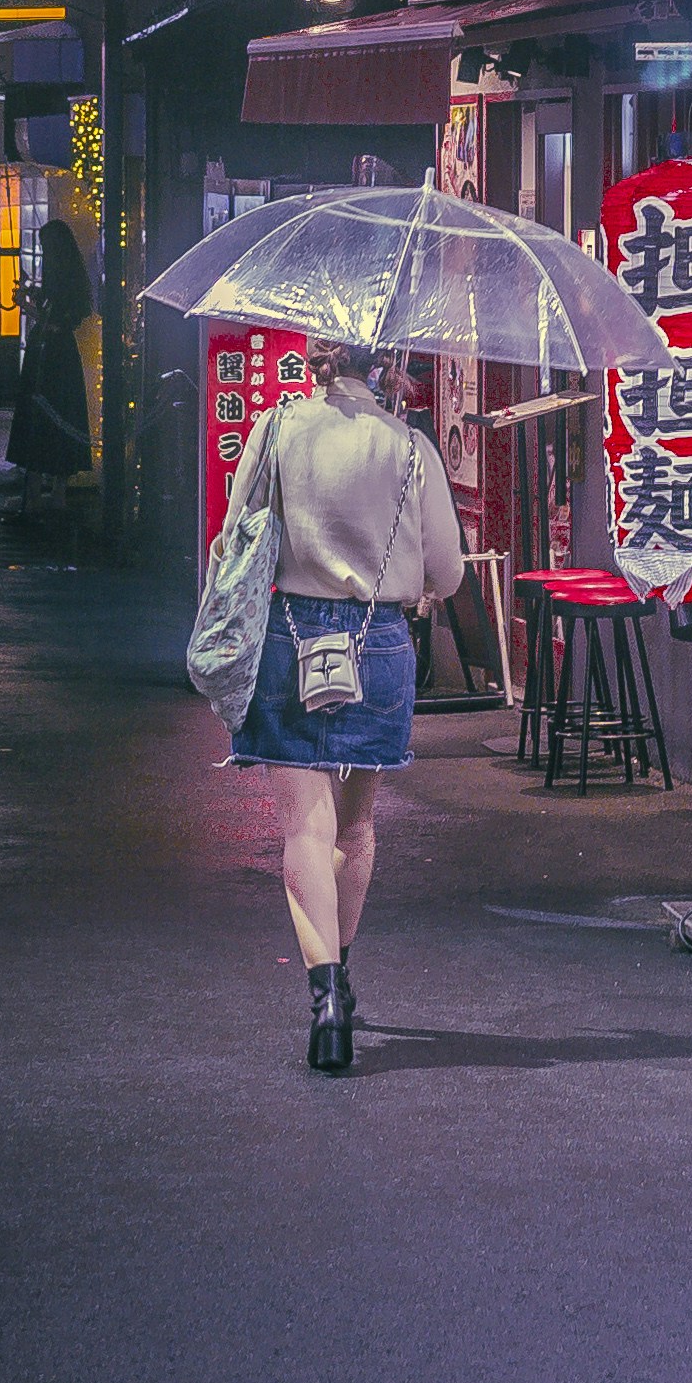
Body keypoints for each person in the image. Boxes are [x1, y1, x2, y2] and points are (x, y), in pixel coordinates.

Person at [211, 322, 469, 1076]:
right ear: (383, 362)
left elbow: (234, 537)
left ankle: (324, 1000)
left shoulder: (277, 426)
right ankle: (343, 976)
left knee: (302, 830)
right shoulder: (409, 446)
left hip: (290, 638)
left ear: (315, 358)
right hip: (378, 641)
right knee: (354, 831)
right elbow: (447, 573)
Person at [7, 217, 96, 524]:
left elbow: (55, 321)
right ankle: (56, 492)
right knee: (59, 418)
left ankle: (35, 494)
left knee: (40, 419)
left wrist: (28, 307)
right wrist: (33, 298)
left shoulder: (62, 279)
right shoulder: (72, 278)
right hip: (58, 355)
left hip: (49, 354)